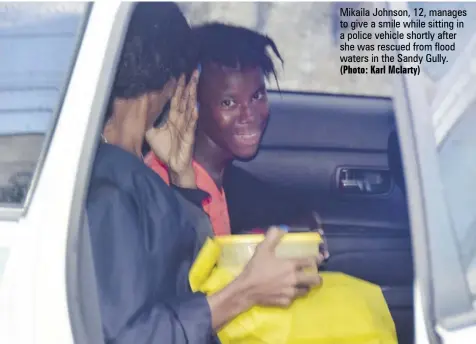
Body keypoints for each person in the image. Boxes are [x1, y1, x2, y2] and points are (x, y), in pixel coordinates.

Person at [86, 3, 323, 344]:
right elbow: (132, 335)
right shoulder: (111, 189)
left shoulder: (136, 171)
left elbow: (183, 274)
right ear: (178, 82)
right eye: (228, 102)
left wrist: (182, 177)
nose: (246, 113)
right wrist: (245, 291)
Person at [145, 23, 286, 236]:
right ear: (191, 103)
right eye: (228, 103)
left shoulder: (215, 178)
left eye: (257, 96)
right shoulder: (167, 183)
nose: (249, 115)